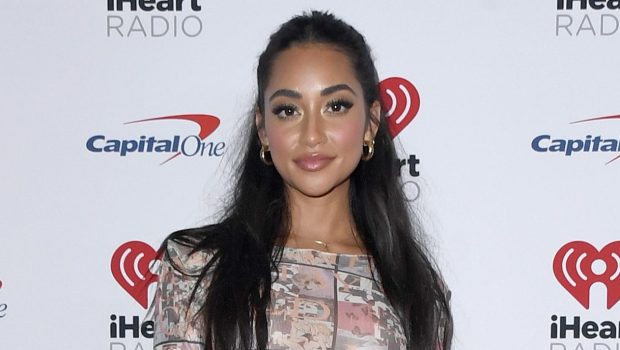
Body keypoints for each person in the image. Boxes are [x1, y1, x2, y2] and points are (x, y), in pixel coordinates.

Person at [150, 10, 453, 350]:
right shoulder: (197, 268)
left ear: (371, 122)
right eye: (288, 110)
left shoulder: (413, 287)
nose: (312, 135)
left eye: (335, 106)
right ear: (263, 129)